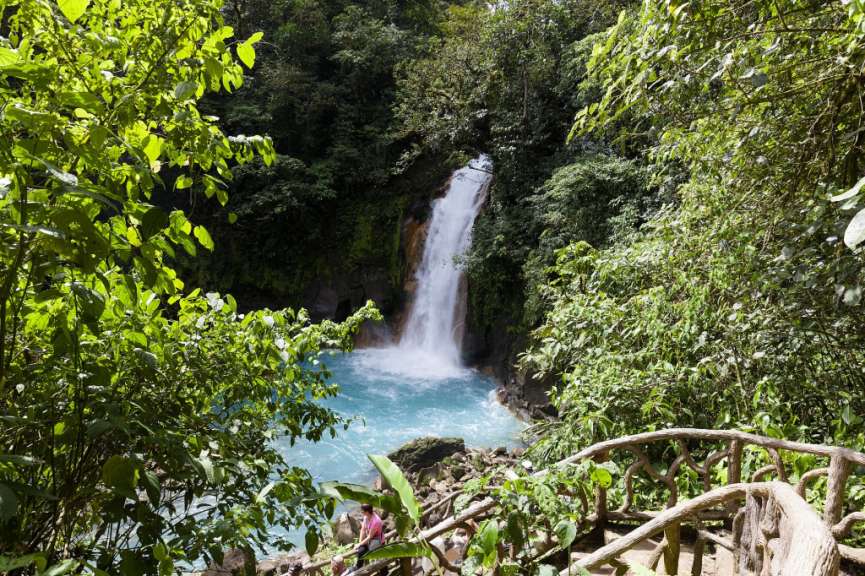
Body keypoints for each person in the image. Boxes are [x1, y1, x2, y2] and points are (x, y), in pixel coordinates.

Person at [354, 504, 384, 568]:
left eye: (362, 511)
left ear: (367, 512)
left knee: (380, 561)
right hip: (369, 540)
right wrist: (360, 543)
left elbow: (370, 536)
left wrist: (359, 545)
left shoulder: (376, 521)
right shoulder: (366, 517)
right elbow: (363, 530)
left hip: (377, 541)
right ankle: (358, 569)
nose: (361, 512)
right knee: (360, 551)